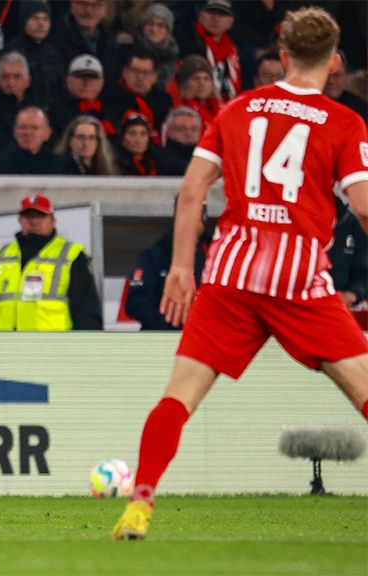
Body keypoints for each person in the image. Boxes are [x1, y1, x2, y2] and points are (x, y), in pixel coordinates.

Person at [111, 7, 368, 541]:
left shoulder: (237, 109)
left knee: (178, 397)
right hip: (299, 279)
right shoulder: (345, 122)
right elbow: (364, 207)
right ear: (335, 62)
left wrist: (182, 267)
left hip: (231, 274)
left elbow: (191, 191)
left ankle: (139, 502)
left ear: (282, 56)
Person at [0, 194, 102, 331]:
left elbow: (86, 310)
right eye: (28, 216)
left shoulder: (70, 255)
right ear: (20, 220)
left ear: (52, 220)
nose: (34, 222)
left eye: (40, 215)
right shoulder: (0, 256)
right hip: (4, 346)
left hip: (51, 347)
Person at [125, 203, 209, 330]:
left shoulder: (215, 254)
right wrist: (166, 326)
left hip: (204, 338)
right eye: (185, 218)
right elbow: (136, 302)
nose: (190, 225)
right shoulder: (153, 255)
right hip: (160, 338)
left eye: (197, 218)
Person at [176, 0, 239, 103]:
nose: (216, 18)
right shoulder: (186, 42)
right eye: (211, 12)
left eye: (223, 14)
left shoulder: (233, 50)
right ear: (200, 14)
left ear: (231, 22)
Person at [0, 106, 60, 175]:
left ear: (47, 133)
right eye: (22, 128)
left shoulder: (57, 164)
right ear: (14, 132)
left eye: (34, 128)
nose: (28, 133)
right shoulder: (2, 163)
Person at [329, 194, 367, 310]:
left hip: (340, 306)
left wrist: (351, 295)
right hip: (300, 303)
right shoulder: (295, 220)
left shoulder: (352, 224)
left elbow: (364, 274)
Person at [157, 106, 202, 176]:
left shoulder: (203, 157)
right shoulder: (164, 159)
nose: (188, 134)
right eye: (181, 129)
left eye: (194, 129)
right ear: (169, 131)